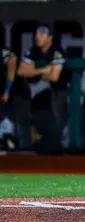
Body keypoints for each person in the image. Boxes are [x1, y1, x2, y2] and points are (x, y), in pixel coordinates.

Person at [16, 25, 68, 153]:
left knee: (60, 121)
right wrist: (44, 70)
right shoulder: (33, 51)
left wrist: (33, 70)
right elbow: (21, 71)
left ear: (50, 37)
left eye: (42, 34)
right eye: (37, 34)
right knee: (26, 116)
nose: (37, 36)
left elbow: (54, 77)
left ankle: (63, 149)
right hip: (37, 91)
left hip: (61, 90)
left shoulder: (57, 51)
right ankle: (28, 147)